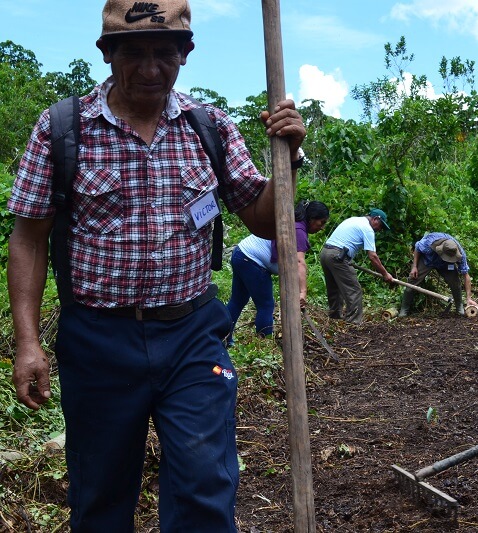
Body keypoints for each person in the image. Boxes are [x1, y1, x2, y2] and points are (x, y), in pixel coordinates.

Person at [6, 1, 307, 530]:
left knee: (205, 488)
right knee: (100, 498)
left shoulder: (208, 126)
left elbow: (262, 218)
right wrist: (26, 342)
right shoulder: (63, 129)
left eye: (164, 53)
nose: (150, 69)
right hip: (98, 341)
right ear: (108, 54)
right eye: (135, 53)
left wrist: (288, 157)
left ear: (185, 55)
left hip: (193, 335)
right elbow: (28, 239)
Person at [226, 200, 329, 344]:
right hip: (252, 260)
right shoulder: (298, 231)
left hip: (241, 254)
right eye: (321, 222)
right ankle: (264, 344)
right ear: (312, 218)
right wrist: (303, 292)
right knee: (266, 305)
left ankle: (223, 338)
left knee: (237, 301)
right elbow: (299, 262)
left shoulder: (294, 224)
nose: (322, 227)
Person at [320, 208, 394, 323]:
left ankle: (334, 318)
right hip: (338, 256)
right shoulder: (367, 229)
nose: (380, 230)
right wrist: (385, 274)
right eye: (381, 226)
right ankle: (353, 322)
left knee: (334, 288)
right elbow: (373, 257)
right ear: (375, 219)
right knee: (354, 290)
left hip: (325, 253)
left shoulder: (354, 220)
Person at [398, 232, 478, 316]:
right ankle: (404, 310)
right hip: (428, 260)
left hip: (445, 265)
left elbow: (466, 275)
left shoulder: (460, 253)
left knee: (455, 282)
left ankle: (459, 308)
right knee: (413, 279)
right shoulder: (429, 243)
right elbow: (417, 248)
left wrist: (469, 298)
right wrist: (414, 267)